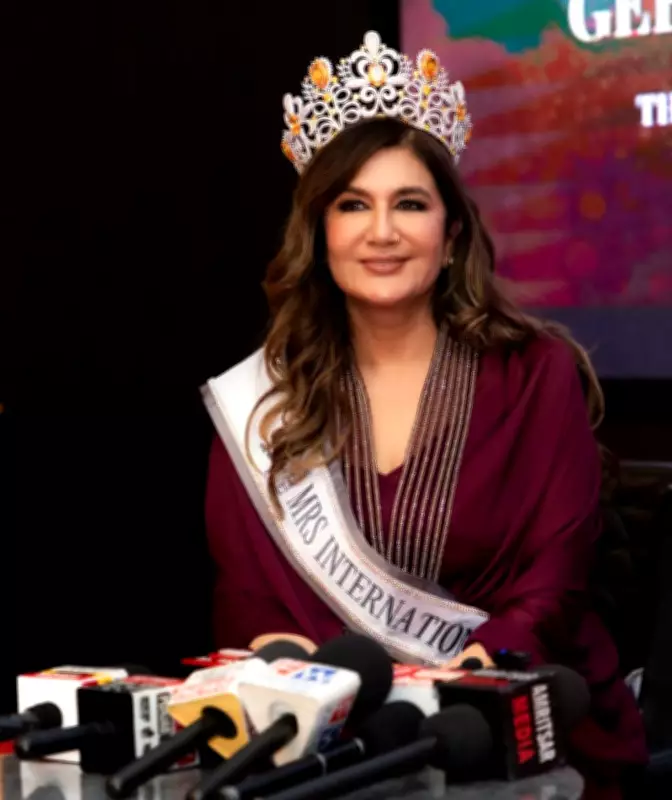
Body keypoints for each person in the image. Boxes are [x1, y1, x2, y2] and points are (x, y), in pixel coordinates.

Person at [203, 31, 647, 798]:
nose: (382, 232)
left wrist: (466, 677)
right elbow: (249, 603)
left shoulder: (534, 376)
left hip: (507, 727)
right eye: (353, 205)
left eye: (410, 204)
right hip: (332, 744)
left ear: (450, 237)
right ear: (321, 233)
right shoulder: (263, 403)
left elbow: (553, 584)